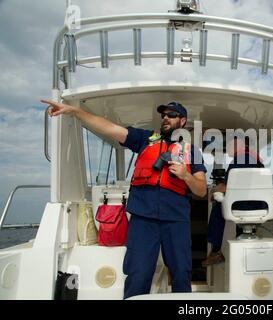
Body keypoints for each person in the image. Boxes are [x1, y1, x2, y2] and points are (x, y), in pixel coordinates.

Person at [41, 99, 207, 299]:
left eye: (171, 115)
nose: (165, 118)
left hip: (176, 220)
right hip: (143, 219)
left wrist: (186, 175)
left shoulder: (192, 152)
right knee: (138, 274)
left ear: (182, 121)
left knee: (181, 273)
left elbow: (201, 190)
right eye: (163, 115)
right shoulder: (145, 139)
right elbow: (109, 128)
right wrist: (76, 112)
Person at [201, 136, 265, 267]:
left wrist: (212, 191)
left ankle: (216, 250)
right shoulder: (254, 158)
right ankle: (239, 241)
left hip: (246, 205)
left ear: (239, 144)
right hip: (257, 203)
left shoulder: (241, 158)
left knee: (219, 204)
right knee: (233, 202)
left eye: (230, 144)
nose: (228, 146)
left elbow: (226, 186)